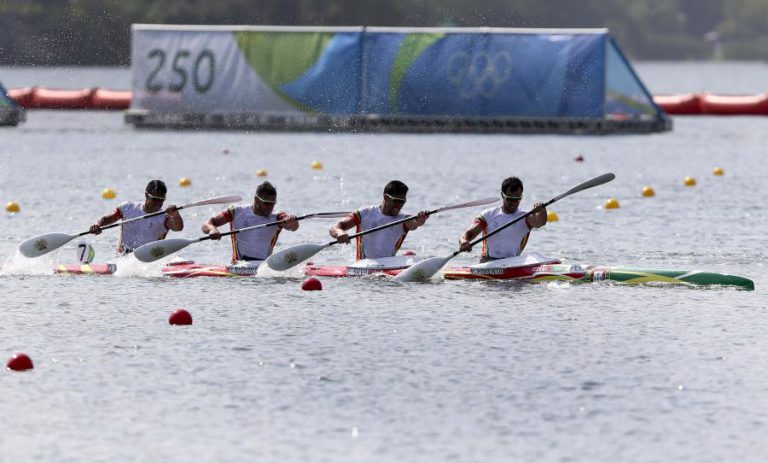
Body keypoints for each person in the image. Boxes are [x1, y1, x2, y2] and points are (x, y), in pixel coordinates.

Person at [202, 181, 299, 263]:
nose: (270, 207)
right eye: (267, 203)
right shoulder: (236, 211)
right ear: (256, 199)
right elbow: (208, 224)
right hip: (239, 265)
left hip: (263, 266)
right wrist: (212, 230)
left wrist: (292, 221)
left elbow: (293, 227)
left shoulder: (277, 216)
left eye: (273, 203)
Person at [329, 180, 429, 260]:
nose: (399, 205)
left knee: (410, 256)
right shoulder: (364, 214)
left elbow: (414, 224)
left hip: (389, 266)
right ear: (386, 197)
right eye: (396, 201)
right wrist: (340, 233)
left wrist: (419, 221)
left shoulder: (404, 219)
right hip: (364, 266)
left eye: (402, 202)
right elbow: (335, 227)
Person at [458, 176, 547, 262]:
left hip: (513, 263)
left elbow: (541, 222)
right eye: (510, 199)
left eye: (517, 199)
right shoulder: (488, 215)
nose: (513, 203)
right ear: (502, 195)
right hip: (488, 262)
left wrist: (542, 210)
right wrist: (464, 242)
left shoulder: (525, 217)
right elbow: (468, 234)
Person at [90, 180, 183, 255]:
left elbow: (178, 228)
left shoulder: (166, 216)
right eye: (154, 199)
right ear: (146, 195)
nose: (157, 203)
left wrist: (175, 214)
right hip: (124, 256)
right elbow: (107, 219)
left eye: (161, 200)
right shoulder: (128, 208)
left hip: (151, 257)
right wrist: (97, 225)